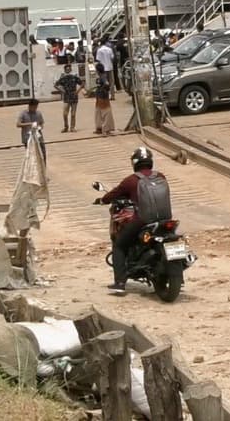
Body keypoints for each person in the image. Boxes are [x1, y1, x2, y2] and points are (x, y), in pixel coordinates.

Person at [94, 147, 172, 294]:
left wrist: (102, 200)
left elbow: (113, 194)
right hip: (165, 219)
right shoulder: (161, 176)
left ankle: (120, 283)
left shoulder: (131, 180)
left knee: (119, 245)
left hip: (143, 220)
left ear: (135, 163)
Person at [52, 63, 86, 133]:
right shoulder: (63, 78)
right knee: (65, 113)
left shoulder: (74, 77)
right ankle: (66, 126)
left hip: (74, 96)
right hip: (66, 96)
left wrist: (77, 91)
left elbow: (82, 83)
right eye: (66, 69)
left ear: (70, 69)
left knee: (73, 114)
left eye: (69, 69)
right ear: (65, 70)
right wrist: (62, 91)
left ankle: (72, 127)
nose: (68, 70)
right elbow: (55, 85)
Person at [94, 62, 116, 135]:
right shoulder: (100, 76)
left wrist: (101, 89)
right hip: (99, 96)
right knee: (98, 112)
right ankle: (99, 128)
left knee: (106, 112)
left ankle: (106, 128)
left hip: (103, 96)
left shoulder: (103, 76)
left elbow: (106, 84)